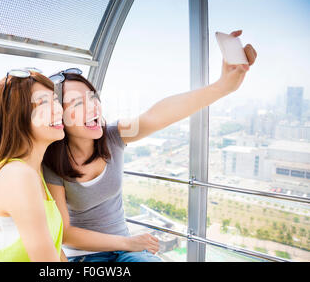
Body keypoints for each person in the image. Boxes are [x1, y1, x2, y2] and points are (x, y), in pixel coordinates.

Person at [43, 30, 257, 262]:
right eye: (77, 104)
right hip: (87, 257)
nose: (92, 107)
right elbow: (65, 233)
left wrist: (222, 86)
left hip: (127, 253)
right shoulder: (52, 162)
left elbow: (157, 116)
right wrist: (128, 242)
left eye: (92, 98)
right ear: (58, 116)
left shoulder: (113, 136)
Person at [0, 68, 67, 262]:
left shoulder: (32, 171)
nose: (59, 110)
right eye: (43, 102)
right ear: (17, 115)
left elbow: (55, 251)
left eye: (56, 100)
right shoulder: (17, 175)